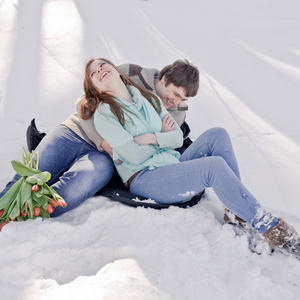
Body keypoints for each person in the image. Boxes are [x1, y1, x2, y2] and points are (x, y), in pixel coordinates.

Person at [82, 57, 300, 257]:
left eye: (103, 64)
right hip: (144, 177)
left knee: (218, 135)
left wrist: (149, 138)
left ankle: (237, 213)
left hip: (170, 164)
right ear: (95, 87)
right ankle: (273, 229)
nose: (100, 69)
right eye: (94, 73)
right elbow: (135, 157)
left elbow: (177, 138)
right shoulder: (105, 114)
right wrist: (161, 138)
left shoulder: (148, 98)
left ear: (114, 69)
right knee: (213, 167)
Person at [0, 59, 200, 217]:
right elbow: (84, 103)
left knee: (76, 186)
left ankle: (33, 210)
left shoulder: (177, 112)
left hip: (109, 156)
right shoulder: (130, 73)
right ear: (163, 78)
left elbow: (166, 142)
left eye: (183, 99)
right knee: (31, 173)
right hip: (78, 131)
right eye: (175, 94)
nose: (176, 102)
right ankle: (4, 205)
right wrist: (101, 141)